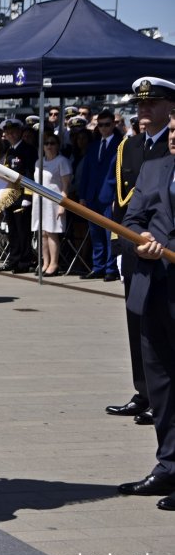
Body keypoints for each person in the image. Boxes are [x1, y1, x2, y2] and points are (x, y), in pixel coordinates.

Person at [105, 77, 175, 426]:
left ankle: (161, 397)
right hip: (136, 247)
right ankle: (143, 389)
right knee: (138, 324)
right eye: (140, 104)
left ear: (169, 108)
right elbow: (122, 205)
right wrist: (121, 246)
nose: (143, 110)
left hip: (166, 253)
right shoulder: (129, 147)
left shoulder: (171, 147)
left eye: (152, 103)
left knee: (161, 328)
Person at [117, 107, 175, 512]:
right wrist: (140, 241)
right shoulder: (154, 169)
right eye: (173, 129)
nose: (172, 135)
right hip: (154, 290)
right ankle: (169, 465)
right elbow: (131, 219)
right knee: (161, 385)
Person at [79, 109, 122, 281]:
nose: (103, 128)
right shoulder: (94, 146)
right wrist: (82, 196)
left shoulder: (120, 145)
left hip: (109, 196)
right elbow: (86, 173)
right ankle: (98, 266)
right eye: (100, 125)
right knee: (95, 233)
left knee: (109, 234)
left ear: (113, 124)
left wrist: (116, 198)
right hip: (92, 196)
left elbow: (121, 174)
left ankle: (111, 269)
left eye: (107, 125)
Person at [0, 118, 38, 273]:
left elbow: (29, 174)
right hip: (10, 196)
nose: (11, 135)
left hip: (22, 196)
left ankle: (24, 261)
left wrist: (28, 197)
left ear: (20, 132)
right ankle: (13, 259)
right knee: (12, 231)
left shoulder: (28, 150)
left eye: (13, 132)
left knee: (23, 232)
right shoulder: (9, 150)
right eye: (8, 133)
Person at [31, 133, 71, 276]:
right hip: (39, 201)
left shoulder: (62, 161)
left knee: (52, 233)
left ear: (58, 145)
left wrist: (62, 204)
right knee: (42, 233)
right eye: (46, 143)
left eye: (52, 143)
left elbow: (66, 186)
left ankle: (54, 264)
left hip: (54, 201)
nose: (49, 146)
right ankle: (45, 262)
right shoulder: (38, 162)